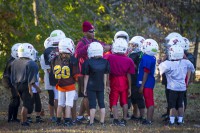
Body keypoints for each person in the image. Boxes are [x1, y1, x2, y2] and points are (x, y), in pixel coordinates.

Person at [75, 21, 110, 122]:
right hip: (84, 72)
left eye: (94, 31)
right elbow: (77, 55)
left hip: (95, 72)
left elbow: (105, 46)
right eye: (91, 31)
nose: (93, 33)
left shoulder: (95, 41)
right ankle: (91, 116)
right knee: (86, 95)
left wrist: (108, 47)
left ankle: (80, 116)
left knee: (86, 95)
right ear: (85, 32)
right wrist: (88, 47)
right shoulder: (82, 42)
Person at [158, 45, 195, 126]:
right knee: (180, 104)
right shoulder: (185, 62)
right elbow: (192, 68)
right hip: (182, 87)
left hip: (173, 88)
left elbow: (160, 69)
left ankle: (171, 121)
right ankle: (180, 120)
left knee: (172, 105)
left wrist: (160, 62)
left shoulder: (168, 63)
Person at [106, 38, 135, 126]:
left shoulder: (109, 57)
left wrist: (107, 84)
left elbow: (106, 71)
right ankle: (124, 118)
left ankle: (115, 119)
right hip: (124, 80)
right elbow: (129, 74)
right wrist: (129, 87)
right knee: (124, 101)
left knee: (114, 101)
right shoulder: (129, 60)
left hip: (114, 80)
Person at [51, 38, 80, 126]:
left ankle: (58, 120)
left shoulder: (55, 59)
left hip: (60, 85)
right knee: (68, 104)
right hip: (70, 85)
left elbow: (53, 72)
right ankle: (67, 120)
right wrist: (78, 81)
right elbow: (76, 75)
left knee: (60, 103)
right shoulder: (73, 59)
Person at [11, 43, 39, 126]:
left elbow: (13, 78)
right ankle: (24, 121)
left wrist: (16, 89)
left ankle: (23, 120)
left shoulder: (14, 62)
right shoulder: (31, 63)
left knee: (24, 103)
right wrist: (33, 88)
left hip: (17, 85)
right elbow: (31, 79)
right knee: (26, 104)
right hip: (26, 85)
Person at [82, 42, 110, 126]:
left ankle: (91, 122)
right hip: (100, 85)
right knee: (102, 103)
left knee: (92, 104)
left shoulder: (87, 62)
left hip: (91, 86)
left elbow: (86, 77)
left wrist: (84, 88)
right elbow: (105, 76)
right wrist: (105, 86)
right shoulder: (105, 62)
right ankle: (102, 122)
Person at [42, 30, 66, 122]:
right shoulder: (61, 48)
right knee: (60, 97)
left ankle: (57, 115)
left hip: (53, 75)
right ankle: (61, 115)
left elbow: (48, 68)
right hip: (62, 75)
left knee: (57, 96)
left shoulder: (47, 50)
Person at [137, 39, 159, 125]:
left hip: (147, 83)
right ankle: (148, 119)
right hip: (148, 82)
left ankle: (149, 120)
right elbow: (140, 55)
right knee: (148, 100)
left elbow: (146, 73)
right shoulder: (149, 56)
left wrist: (142, 85)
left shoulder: (147, 58)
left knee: (149, 101)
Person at [2, 43, 21, 123]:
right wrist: (14, 87)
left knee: (17, 100)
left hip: (11, 81)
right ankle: (10, 119)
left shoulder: (13, 60)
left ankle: (14, 118)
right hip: (9, 82)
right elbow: (12, 76)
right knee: (14, 100)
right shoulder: (12, 62)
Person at [128, 36, 146, 121]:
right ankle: (135, 114)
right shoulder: (133, 53)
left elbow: (138, 67)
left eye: (134, 45)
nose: (132, 46)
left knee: (138, 97)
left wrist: (129, 61)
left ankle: (142, 116)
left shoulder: (141, 54)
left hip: (137, 78)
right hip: (131, 78)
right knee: (132, 97)